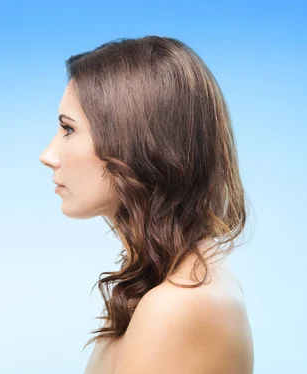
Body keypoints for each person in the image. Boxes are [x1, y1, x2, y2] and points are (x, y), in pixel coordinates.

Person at [39, 36, 254, 374]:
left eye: (68, 129)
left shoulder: (178, 305)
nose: (47, 156)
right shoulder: (160, 282)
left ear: (135, 144)